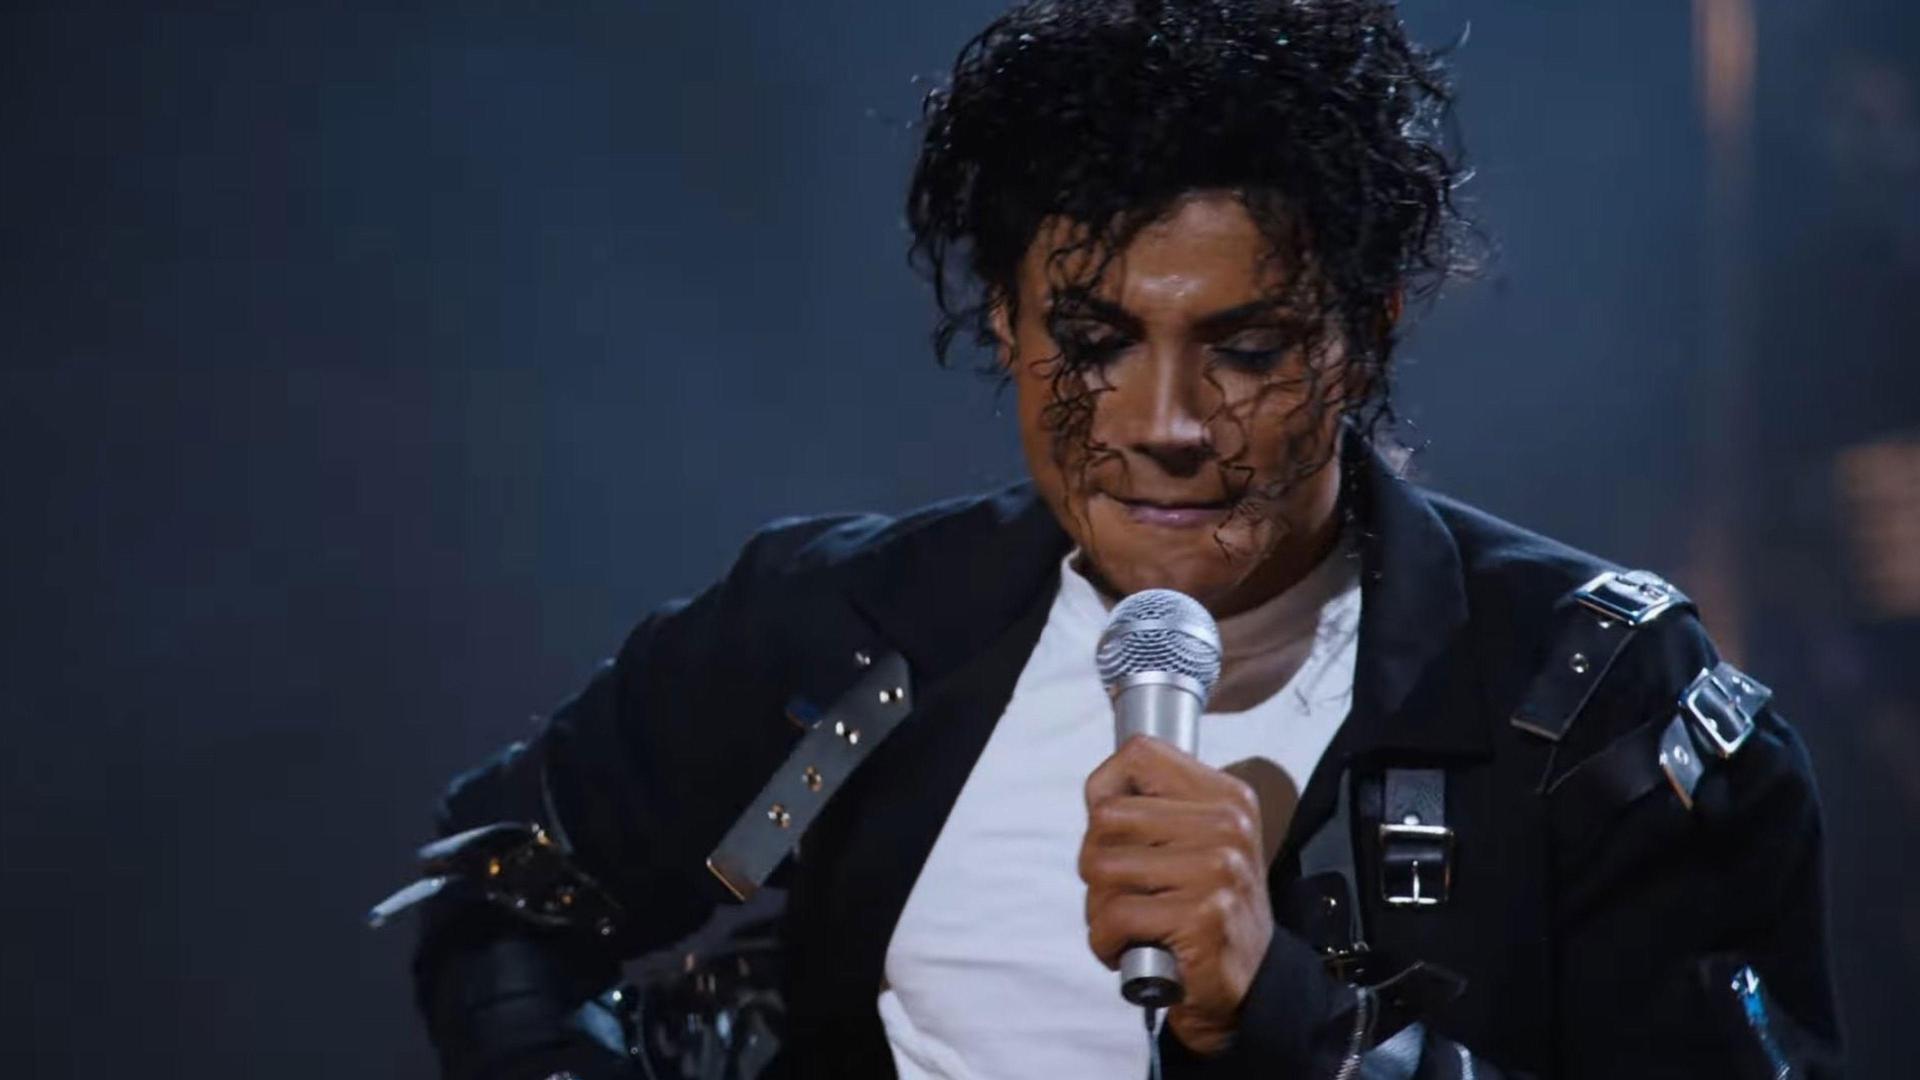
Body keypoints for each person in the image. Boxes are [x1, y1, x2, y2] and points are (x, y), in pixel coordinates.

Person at [383, 2, 1843, 1076]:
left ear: (1369, 332)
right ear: (1007, 324)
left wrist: (1282, 1015)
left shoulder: (1597, 708)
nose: (1164, 424)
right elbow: (503, 889)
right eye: (1091, 343)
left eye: (1247, 349)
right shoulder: (844, 629)